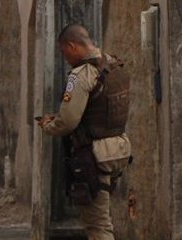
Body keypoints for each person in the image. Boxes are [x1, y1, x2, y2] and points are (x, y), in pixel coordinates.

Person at [34, 23, 132, 240]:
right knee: (104, 216)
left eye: (64, 51)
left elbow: (68, 121)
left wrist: (49, 126)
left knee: (97, 226)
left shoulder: (81, 75)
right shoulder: (114, 65)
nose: (65, 57)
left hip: (95, 155)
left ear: (72, 46)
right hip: (120, 148)